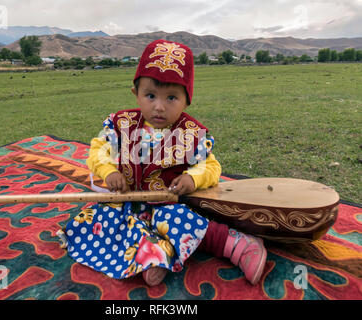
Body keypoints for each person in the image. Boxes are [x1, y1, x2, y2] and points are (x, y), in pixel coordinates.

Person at [57, 39, 267, 286]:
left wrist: (192, 178)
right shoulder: (120, 124)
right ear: (136, 94)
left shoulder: (190, 132)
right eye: (150, 95)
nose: (159, 107)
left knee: (178, 222)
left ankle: (238, 245)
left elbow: (211, 167)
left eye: (171, 98)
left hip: (167, 206)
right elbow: (99, 150)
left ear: (187, 100)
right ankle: (157, 256)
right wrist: (108, 170)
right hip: (127, 204)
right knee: (101, 221)